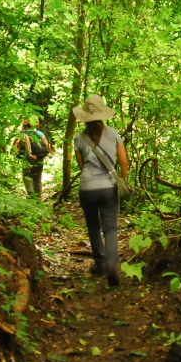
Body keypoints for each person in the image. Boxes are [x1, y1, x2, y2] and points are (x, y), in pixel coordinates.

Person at [73, 94, 129, 287]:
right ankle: (112, 265)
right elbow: (123, 162)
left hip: (87, 188)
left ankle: (100, 264)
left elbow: (81, 166)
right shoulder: (113, 134)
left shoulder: (79, 138)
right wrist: (123, 179)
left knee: (93, 226)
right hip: (108, 188)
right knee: (110, 227)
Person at [15, 117, 52, 198]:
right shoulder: (40, 133)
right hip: (39, 158)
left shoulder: (24, 134)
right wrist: (39, 155)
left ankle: (31, 195)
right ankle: (38, 199)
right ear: (36, 124)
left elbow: (22, 144)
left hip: (27, 159)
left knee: (27, 177)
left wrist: (30, 154)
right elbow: (46, 145)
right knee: (37, 179)